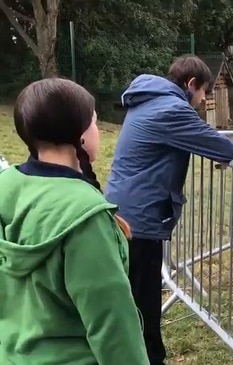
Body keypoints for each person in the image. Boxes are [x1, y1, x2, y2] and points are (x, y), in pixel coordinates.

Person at [0, 78, 149, 364]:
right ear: (80, 135)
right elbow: (112, 325)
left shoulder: (5, 186)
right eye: (94, 122)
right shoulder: (86, 218)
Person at [105, 54, 233, 364]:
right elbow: (225, 148)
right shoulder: (172, 109)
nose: (203, 99)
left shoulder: (147, 101)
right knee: (145, 300)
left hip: (123, 208)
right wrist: (215, 151)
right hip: (139, 220)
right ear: (191, 84)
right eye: (204, 91)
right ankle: (149, 359)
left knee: (129, 294)